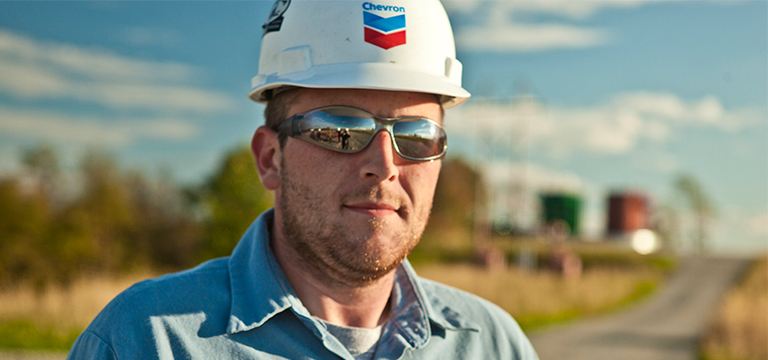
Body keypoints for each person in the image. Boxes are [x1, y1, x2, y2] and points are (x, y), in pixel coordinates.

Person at [67, 1, 539, 359]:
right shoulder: (147, 340)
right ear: (270, 157)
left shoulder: (493, 344)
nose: (385, 164)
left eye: (417, 136)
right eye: (342, 130)